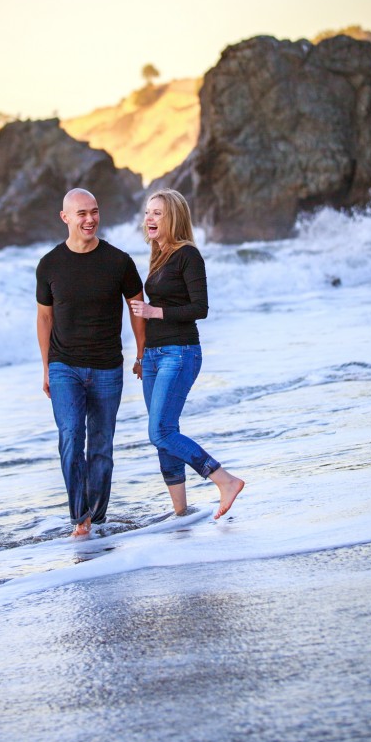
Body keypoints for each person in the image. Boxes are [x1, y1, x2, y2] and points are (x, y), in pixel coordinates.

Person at [36, 188, 145, 537]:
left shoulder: (119, 262)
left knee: (101, 446)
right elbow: (44, 318)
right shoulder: (50, 264)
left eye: (94, 211)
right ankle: (79, 519)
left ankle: (96, 520)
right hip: (64, 365)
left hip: (107, 367)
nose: (90, 219)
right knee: (70, 436)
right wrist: (46, 367)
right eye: (81, 213)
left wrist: (141, 353)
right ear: (65, 217)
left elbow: (137, 306)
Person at [129, 189, 245, 519]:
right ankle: (181, 512)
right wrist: (141, 356)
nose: (149, 219)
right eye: (147, 212)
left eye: (157, 213)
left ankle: (224, 479)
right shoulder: (159, 254)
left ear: (174, 217)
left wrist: (154, 312)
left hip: (179, 353)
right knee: (164, 433)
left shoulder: (188, 255)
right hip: (154, 356)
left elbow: (200, 308)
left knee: (161, 432)